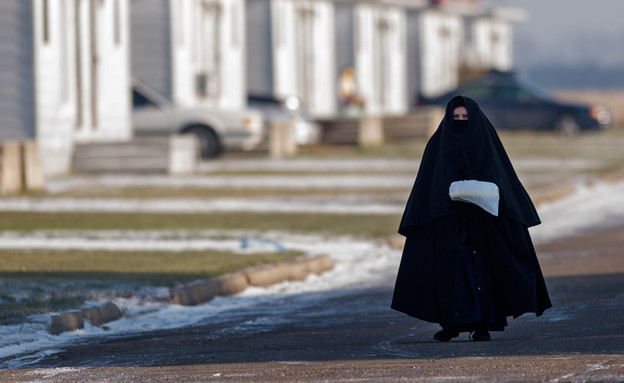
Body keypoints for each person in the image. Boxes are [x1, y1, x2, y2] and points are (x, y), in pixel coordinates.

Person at [391, 95, 551, 342]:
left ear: (474, 118)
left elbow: (501, 178)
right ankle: (451, 324)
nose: (461, 121)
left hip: (483, 222)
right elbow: (429, 183)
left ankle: (483, 325)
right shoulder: (439, 143)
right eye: (456, 117)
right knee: (451, 271)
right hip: (448, 221)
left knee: (482, 271)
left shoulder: (485, 141)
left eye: (465, 117)